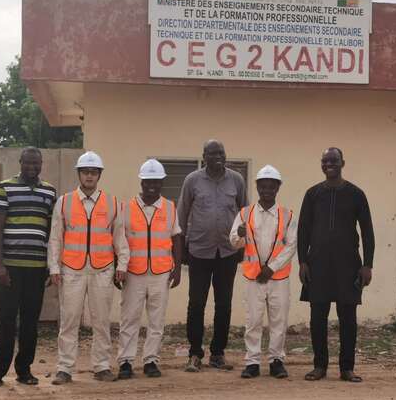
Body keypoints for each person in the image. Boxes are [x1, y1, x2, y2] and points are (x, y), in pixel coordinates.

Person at [47, 151, 129, 385]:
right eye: (85, 172)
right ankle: (65, 368)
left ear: (99, 175)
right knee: (69, 321)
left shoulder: (112, 203)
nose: (89, 176)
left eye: (93, 172)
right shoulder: (64, 202)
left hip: (102, 270)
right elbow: (56, 237)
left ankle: (102, 366)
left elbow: (120, 236)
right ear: (79, 174)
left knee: (101, 321)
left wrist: (122, 264)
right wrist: (54, 268)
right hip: (71, 270)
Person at [298, 147, 375, 382]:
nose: (329, 164)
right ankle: (319, 366)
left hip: (348, 265)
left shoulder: (356, 194)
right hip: (318, 264)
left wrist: (368, 265)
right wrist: (302, 262)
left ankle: (346, 368)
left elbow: (367, 232)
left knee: (348, 319)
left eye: (333, 160)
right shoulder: (312, 194)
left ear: (343, 163)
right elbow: (303, 231)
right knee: (317, 319)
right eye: (325, 161)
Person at [0, 147, 57, 388]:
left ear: (41, 164)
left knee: (30, 322)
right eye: (28, 163)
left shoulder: (49, 191)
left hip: (37, 268)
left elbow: (50, 232)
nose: (32, 167)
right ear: (20, 162)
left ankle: (24, 370)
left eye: (36, 163)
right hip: (11, 268)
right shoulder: (4, 188)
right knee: (6, 320)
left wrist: (50, 265)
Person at [178, 139, 247, 372]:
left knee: (224, 304)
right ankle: (194, 353)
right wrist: (182, 247)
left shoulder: (236, 180)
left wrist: (242, 245)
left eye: (222, 153)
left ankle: (218, 353)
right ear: (204, 157)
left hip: (227, 252)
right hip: (199, 251)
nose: (219, 157)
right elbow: (182, 213)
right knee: (196, 303)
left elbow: (245, 213)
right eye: (213, 153)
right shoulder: (192, 180)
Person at [116, 159, 183, 379]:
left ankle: (151, 361)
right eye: (148, 182)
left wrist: (177, 268)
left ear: (162, 182)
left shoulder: (170, 207)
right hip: (133, 273)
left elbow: (177, 237)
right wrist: (119, 267)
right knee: (129, 319)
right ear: (141, 183)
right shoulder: (126, 208)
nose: (152, 186)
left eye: (156, 182)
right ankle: (126, 362)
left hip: (161, 273)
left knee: (156, 320)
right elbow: (119, 239)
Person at [229, 165, 297, 379]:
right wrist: (239, 235)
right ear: (257, 187)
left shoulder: (287, 215)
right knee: (253, 321)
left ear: (278, 188)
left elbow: (291, 246)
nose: (267, 190)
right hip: (253, 278)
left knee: (279, 321)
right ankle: (252, 362)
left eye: (271, 186)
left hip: (278, 278)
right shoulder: (245, 213)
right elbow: (234, 243)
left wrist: (271, 268)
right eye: (263, 186)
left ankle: (277, 361)